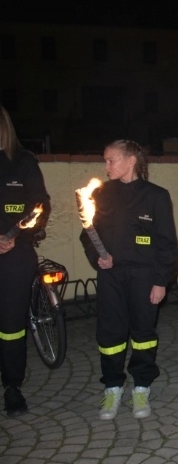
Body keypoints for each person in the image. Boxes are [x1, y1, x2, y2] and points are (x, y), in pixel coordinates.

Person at [80, 140, 178, 420]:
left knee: (143, 334)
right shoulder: (100, 194)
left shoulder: (156, 196)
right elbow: (88, 233)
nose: (106, 166)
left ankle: (142, 385)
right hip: (110, 276)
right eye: (106, 160)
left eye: (111, 160)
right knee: (110, 335)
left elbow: (167, 244)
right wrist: (96, 258)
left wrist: (161, 281)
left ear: (130, 161)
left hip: (145, 277)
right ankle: (112, 387)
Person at [0, 106, 51, 418]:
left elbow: (39, 206)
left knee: (11, 325)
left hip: (15, 255)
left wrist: (14, 238)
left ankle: (12, 386)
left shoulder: (22, 162)